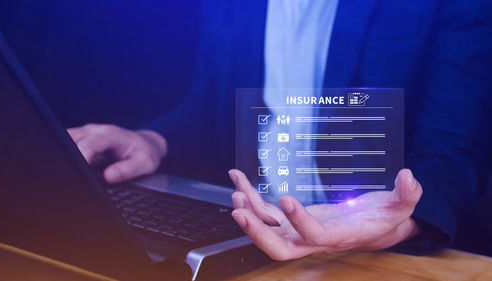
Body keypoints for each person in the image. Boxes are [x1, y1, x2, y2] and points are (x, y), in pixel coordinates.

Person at [68, 0, 492, 259]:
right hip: (249, 235)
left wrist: (400, 220)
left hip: (375, 251)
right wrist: (153, 141)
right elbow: (213, 105)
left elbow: (451, 150)